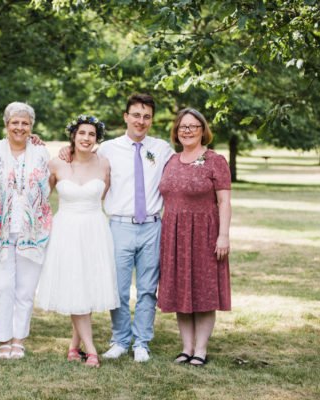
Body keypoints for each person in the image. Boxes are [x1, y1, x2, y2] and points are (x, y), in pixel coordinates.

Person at [60, 94, 174, 362]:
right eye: (136, 115)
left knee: (147, 288)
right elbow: (81, 157)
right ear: (126, 117)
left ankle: (142, 342)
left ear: (152, 120)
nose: (141, 121)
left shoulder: (162, 148)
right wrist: (65, 150)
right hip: (119, 226)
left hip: (151, 226)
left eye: (146, 116)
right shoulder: (108, 149)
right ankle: (121, 339)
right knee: (118, 289)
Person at [37, 115, 119, 368]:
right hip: (67, 230)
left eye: (92, 134)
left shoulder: (104, 164)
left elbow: (103, 195)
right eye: (82, 133)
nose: (86, 138)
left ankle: (74, 347)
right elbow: (40, 197)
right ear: (73, 135)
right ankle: (91, 350)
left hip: (94, 228)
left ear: (97, 139)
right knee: (75, 284)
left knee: (87, 285)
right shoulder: (55, 164)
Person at [0, 102, 52, 360]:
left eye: (25, 123)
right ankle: (3, 340)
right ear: (6, 124)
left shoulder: (40, 152)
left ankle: (18, 340)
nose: (20, 127)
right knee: (1, 285)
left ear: (32, 127)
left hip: (32, 230)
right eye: (15, 122)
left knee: (26, 289)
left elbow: (46, 189)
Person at [157, 108, 232, 366]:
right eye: (182, 127)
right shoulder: (170, 160)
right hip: (174, 234)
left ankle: (201, 349)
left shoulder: (215, 161)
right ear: (176, 132)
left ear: (203, 130)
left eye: (192, 126)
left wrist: (223, 236)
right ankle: (186, 347)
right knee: (181, 290)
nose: (187, 131)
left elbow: (224, 202)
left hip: (205, 234)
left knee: (204, 290)